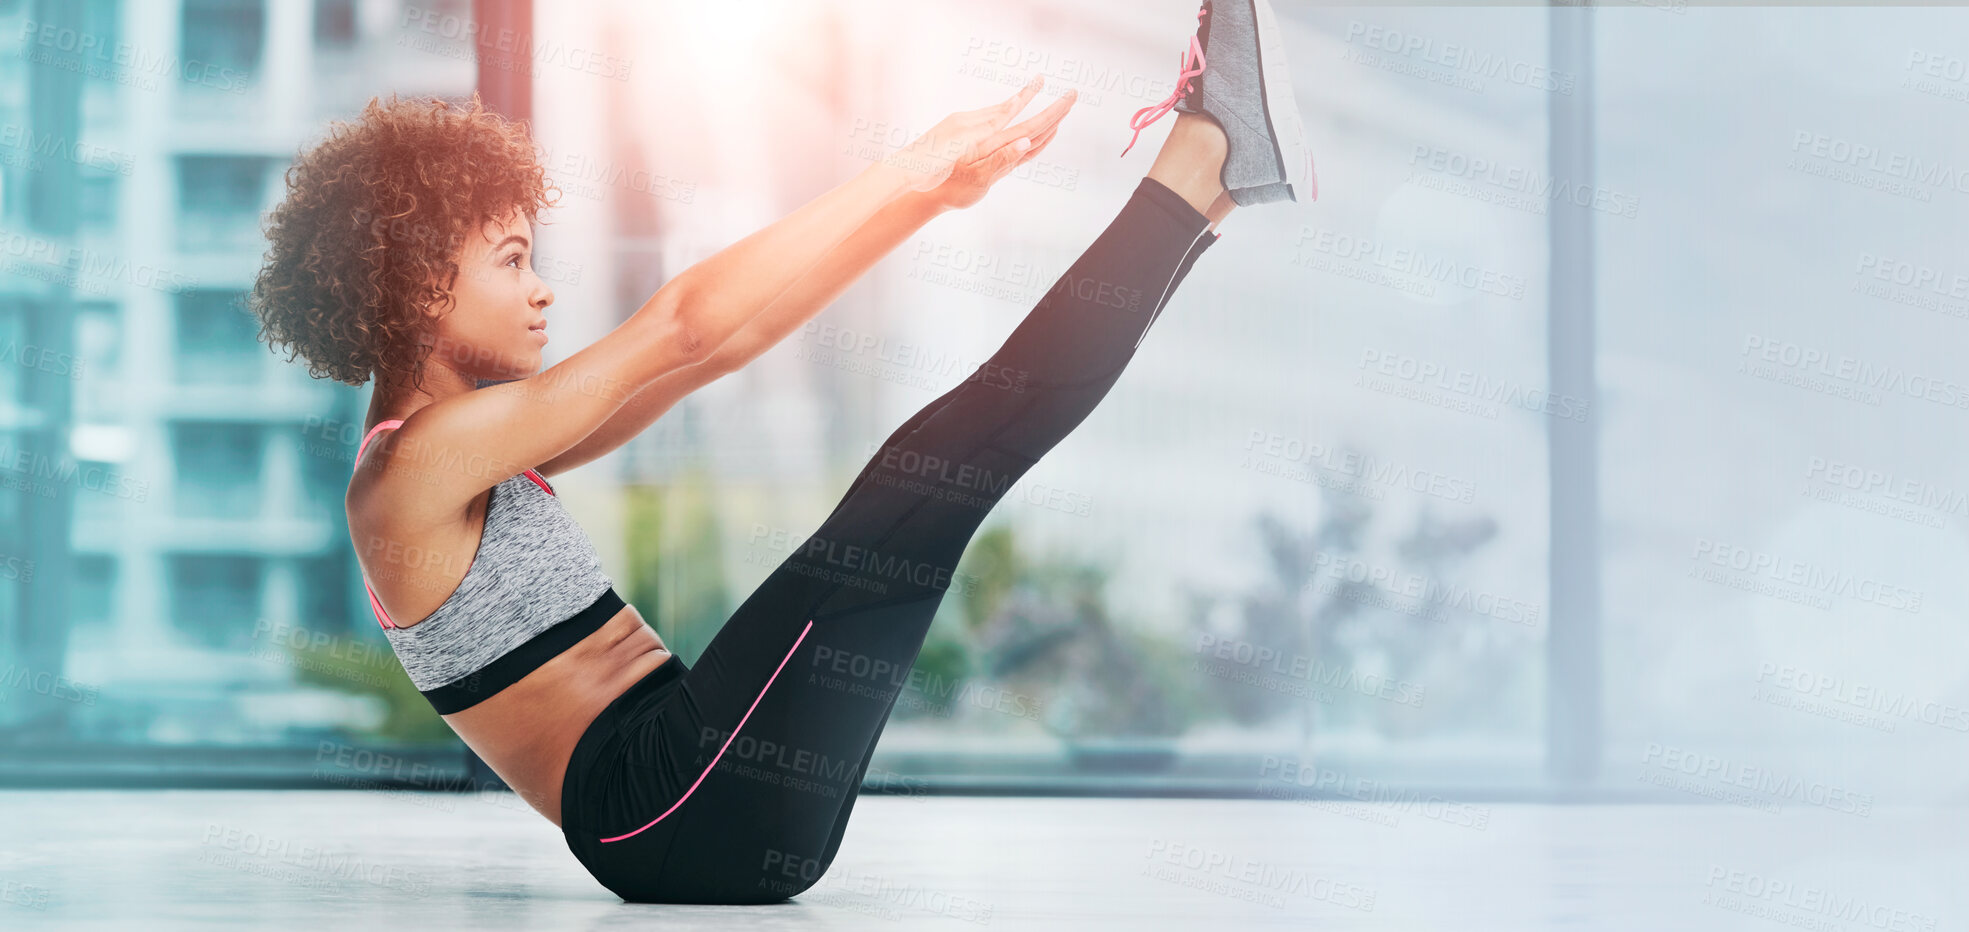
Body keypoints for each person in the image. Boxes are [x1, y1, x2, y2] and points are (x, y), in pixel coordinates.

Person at [248, 0, 1313, 904]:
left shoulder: (486, 451)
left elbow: (726, 346)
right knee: (938, 460)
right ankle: (1204, 157)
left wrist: (919, 203)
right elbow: (682, 323)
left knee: (951, 462)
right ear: (424, 284)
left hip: (700, 790)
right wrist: (902, 165)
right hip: (667, 806)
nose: (543, 289)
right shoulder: (409, 475)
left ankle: (1210, 182)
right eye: (513, 259)